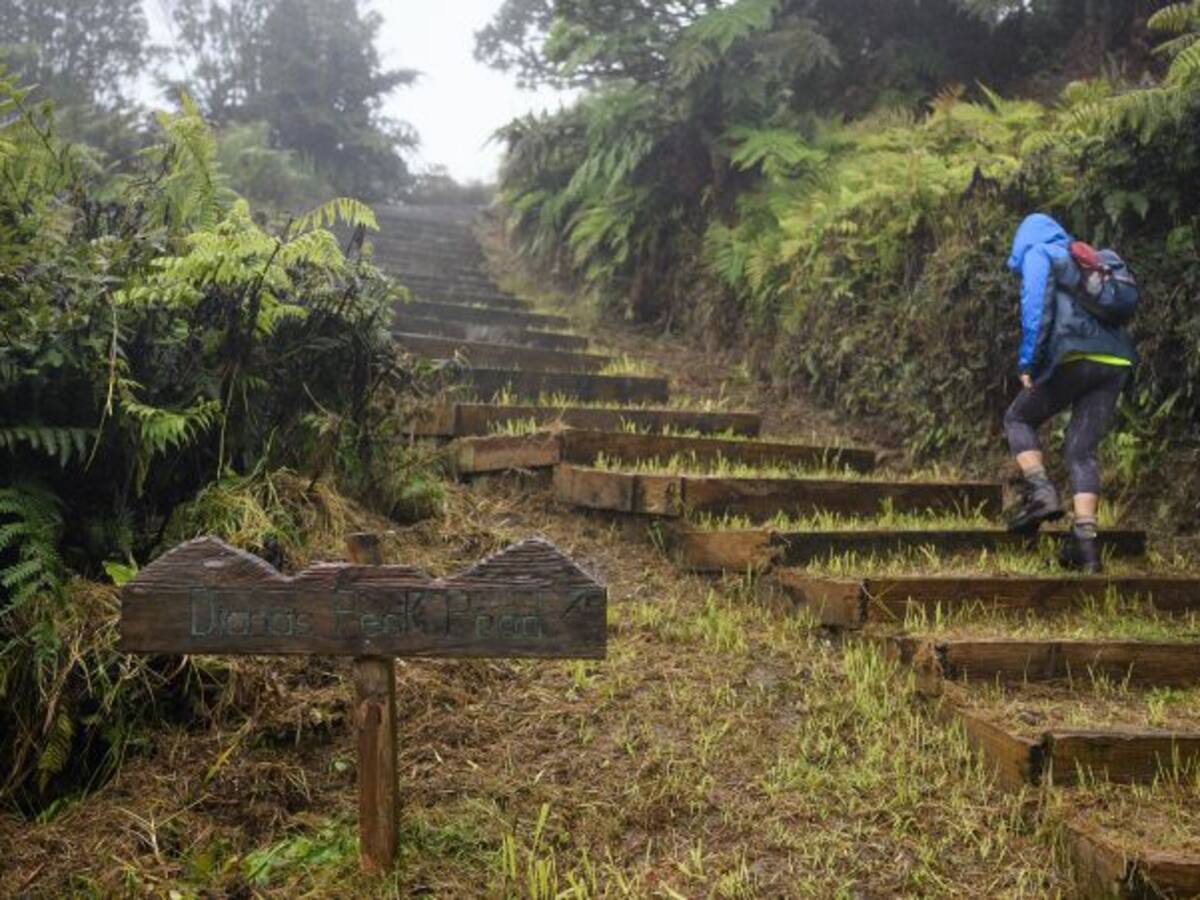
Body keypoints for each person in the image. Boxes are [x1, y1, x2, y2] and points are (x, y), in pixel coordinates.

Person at [1002, 213, 1137, 573]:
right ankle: (1086, 545)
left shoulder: (1039, 252)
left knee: (1018, 417)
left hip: (1073, 355)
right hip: (1116, 360)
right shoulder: (1086, 260)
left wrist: (1029, 362)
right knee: (1081, 449)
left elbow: (1036, 306)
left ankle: (1041, 491)